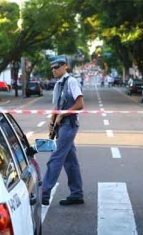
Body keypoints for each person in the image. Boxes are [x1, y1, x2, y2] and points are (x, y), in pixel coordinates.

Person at [42, 55, 84, 206]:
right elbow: (57, 107)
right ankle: (77, 194)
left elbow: (80, 104)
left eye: (56, 67)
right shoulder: (58, 85)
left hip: (69, 125)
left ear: (65, 66)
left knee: (56, 158)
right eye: (52, 68)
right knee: (70, 161)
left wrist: (63, 115)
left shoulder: (72, 82)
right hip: (61, 126)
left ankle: (44, 193)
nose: (53, 70)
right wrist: (52, 121)